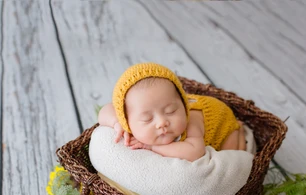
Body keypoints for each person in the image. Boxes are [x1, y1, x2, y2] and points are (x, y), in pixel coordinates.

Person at [98, 62, 246, 162]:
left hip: (222, 121)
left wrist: (152, 147)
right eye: (147, 119)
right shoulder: (127, 116)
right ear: (126, 119)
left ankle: (239, 130)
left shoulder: (191, 122)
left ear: (183, 104)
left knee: (231, 158)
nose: (162, 122)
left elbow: (195, 152)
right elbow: (105, 111)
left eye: (171, 111)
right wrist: (116, 124)